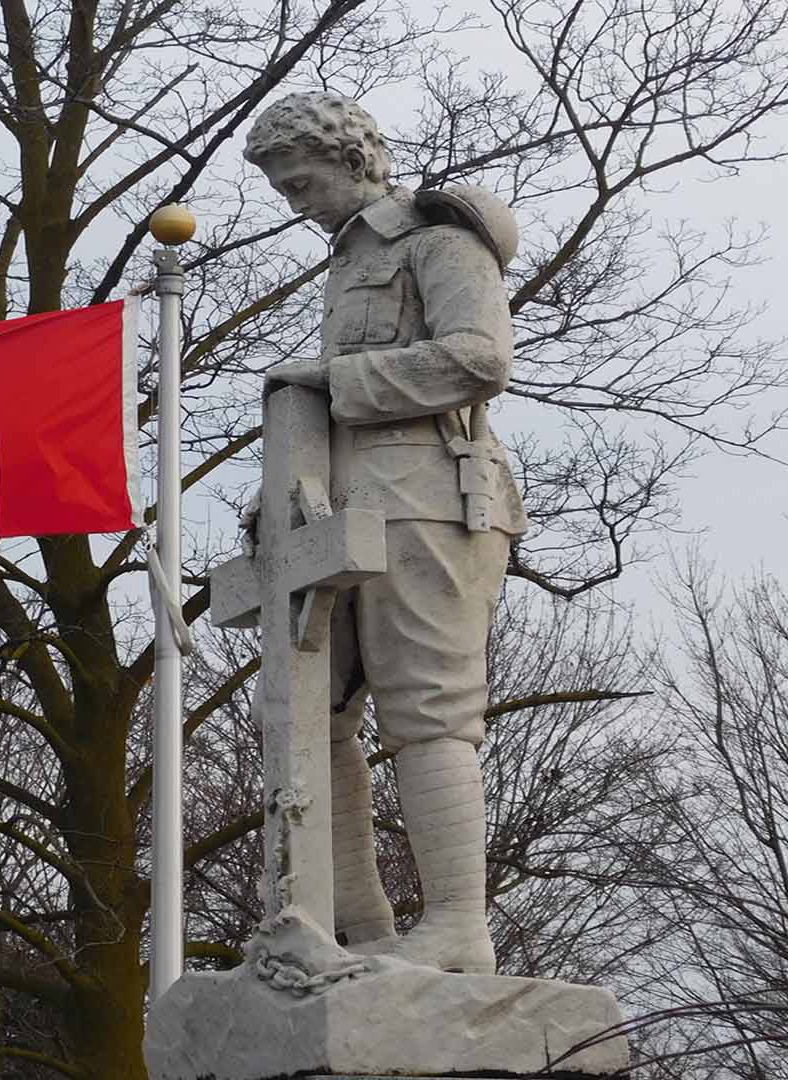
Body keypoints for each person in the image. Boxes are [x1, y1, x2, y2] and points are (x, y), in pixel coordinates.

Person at [243, 91, 528, 975]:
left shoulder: (439, 239)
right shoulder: (346, 263)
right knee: (294, 710)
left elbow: (482, 359)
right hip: (340, 513)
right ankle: (358, 936)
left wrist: (335, 379)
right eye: (285, 191)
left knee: (427, 709)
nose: (298, 202)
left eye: (302, 182)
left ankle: (456, 931)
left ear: (352, 157)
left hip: (432, 498)